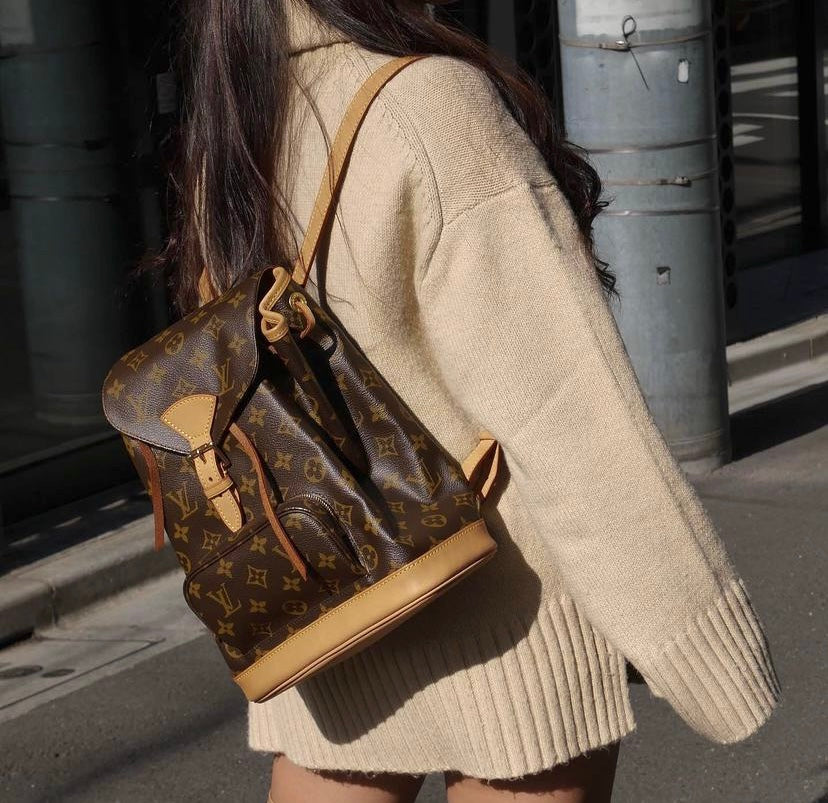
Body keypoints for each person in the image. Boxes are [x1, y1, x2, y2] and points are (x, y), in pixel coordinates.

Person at [158, 2, 780, 801]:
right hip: (507, 617)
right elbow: (565, 410)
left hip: (332, 600)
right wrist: (700, 638)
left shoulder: (241, 118)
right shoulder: (429, 106)